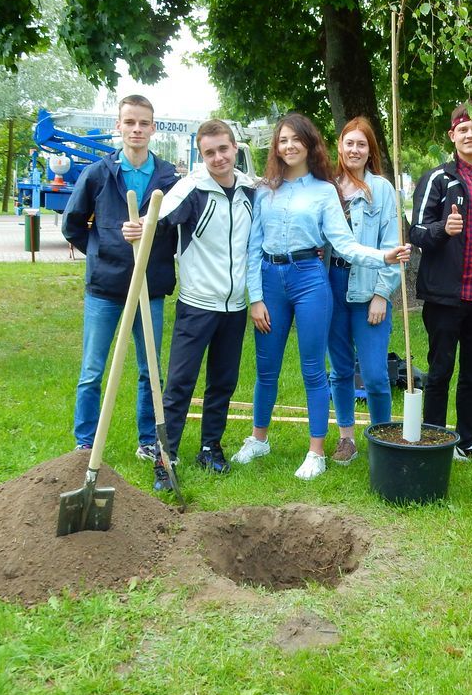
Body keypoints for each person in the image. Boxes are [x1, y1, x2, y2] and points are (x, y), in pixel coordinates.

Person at [233, 113, 412, 480]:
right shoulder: (264, 189)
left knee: (315, 369)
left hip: (310, 281)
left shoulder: (323, 190)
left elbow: (344, 243)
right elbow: (252, 248)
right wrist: (255, 297)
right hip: (270, 281)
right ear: (276, 146)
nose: (288, 146)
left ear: (309, 144)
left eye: (295, 139)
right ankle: (258, 439)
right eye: (282, 140)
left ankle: (317, 452)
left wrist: (383, 257)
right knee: (266, 370)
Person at [122, 120, 256, 491]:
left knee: (223, 383)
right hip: (197, 304)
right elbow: (158, 217)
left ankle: (211, 447)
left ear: (234, 148)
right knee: (180, 383)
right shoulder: (191, 189)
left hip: (234, 307)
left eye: (223, 149)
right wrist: (139, 226)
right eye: (210, 152)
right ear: (202, 155)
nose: (218, 158)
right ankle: (167, 458)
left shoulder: (249, 191)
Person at [62, 95, 178, 457]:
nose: (137, 129)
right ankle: (85, 442)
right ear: (119, 127)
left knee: (150, 371)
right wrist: (103, 249)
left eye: (144, 123)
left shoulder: (168, 177)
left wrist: (151, 233)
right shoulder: (98, 174)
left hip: (150, 286)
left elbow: (175, 226)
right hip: (105, 288)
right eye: (130, 122)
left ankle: (147, 441)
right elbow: (73, 225)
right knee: (93, 370)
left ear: (153, 128)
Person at [409, 100, 472, 471]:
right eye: (462, 130)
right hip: (445, 297)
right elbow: (416, 233)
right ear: (452, 136)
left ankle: (467, 440)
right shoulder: (438, 178)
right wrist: (442, 229)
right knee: (440, 372)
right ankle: (437, 439)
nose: (470, 135)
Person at [325, 116, 401, 465]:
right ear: (339, 146)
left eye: (361, 144)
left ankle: (382, 436)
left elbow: (392, 244)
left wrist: (382, 293)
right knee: (340, 370)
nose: (354, 149)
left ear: (370, 151)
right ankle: (346, 438)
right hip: (330, 287)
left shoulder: (382, 189)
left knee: (373, 373)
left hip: (369, 287)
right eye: (348, 142)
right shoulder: (326, 187)